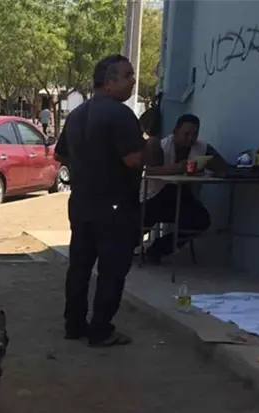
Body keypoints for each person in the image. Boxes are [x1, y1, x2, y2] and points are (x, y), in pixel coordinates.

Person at [54, 54, 153, 347]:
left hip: (82, 202)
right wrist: (151, 145)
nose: (133, 80)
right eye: (128, 75)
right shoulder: (120, 115)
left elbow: (60, 154)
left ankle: (74, 324)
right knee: (112, 270)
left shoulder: (77, 114)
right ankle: (100, 329)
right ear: (109, 81)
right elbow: (133, 159)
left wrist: (84, 167)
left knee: (80, 266)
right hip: (115, 206)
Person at [140, 113, 227, 264]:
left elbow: (222, 167)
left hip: (182, 197)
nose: (190, 138)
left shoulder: (203, 147)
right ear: (175, 132)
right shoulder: (160, 147)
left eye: (195, 134)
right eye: (186, 134)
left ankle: (159, 249)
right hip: (155, 196)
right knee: (136, 225)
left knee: (201, 220)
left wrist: (208, 171)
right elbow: (148, 170)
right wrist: (177, 168)